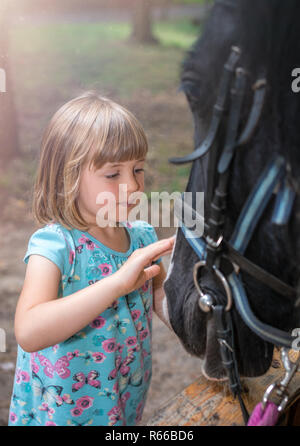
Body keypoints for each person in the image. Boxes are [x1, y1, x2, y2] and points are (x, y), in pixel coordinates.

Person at [8, 91, 174, 426]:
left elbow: (160, 298)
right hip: (59, 417)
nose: (132, 185)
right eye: (113, 175)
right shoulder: (55, 246)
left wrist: (208, 343)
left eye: (138, 169)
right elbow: (28, 330)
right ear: (68, 176)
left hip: (124, 406)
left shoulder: (141, 237)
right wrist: (117, 283)